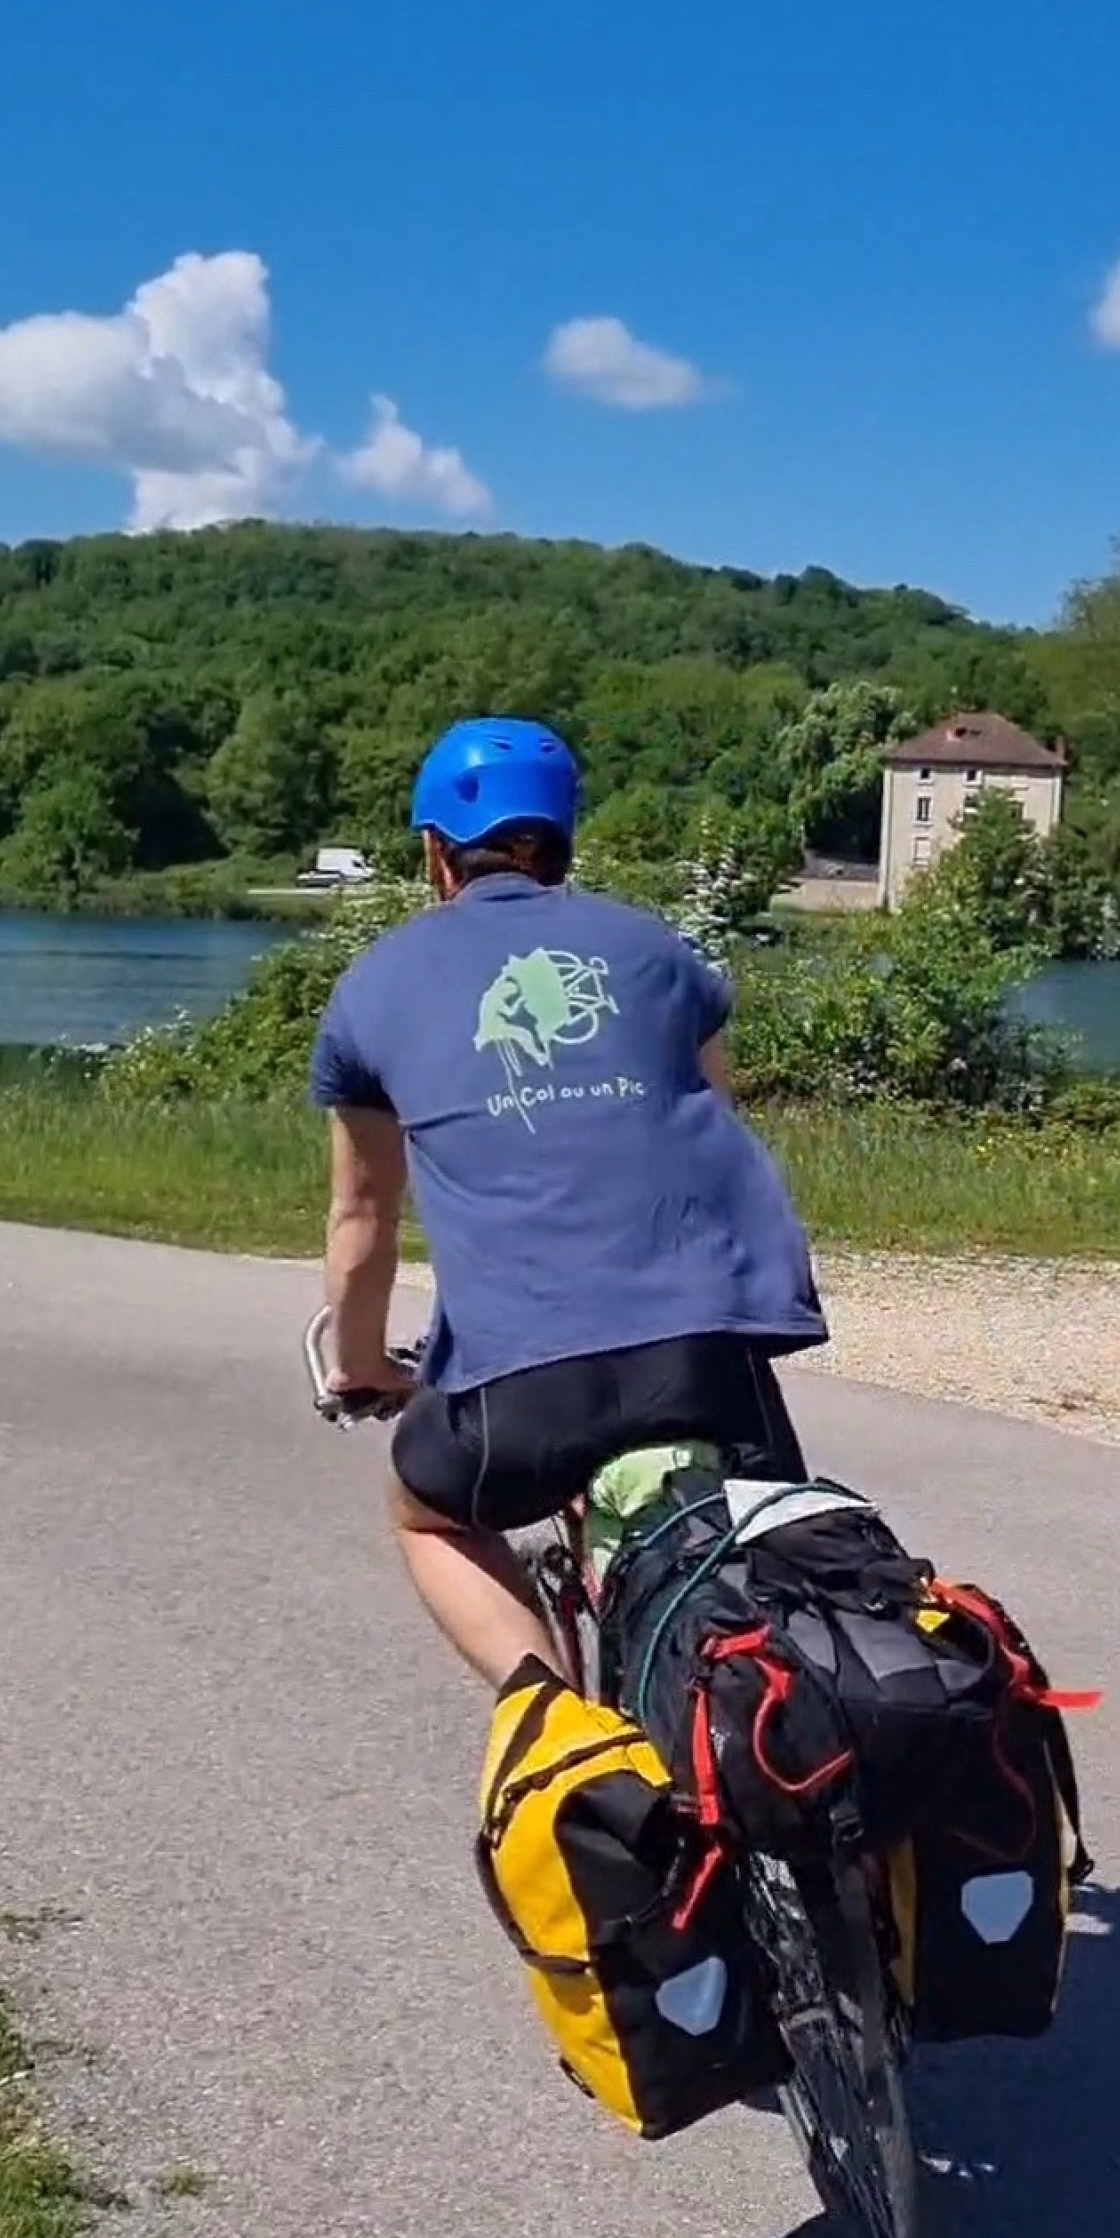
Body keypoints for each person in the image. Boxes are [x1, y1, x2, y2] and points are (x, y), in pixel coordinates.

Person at [310, 717, 826, 1686]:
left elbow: (363, 1218)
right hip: (713, 1351)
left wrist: (364, 1365)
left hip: (522, 1381)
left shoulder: (373, 985)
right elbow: (709, 1127)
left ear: (435, 852)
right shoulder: (655, 949)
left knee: (425, 1511)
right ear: (561, 841)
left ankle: (555, 1721)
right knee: (774, 1579)